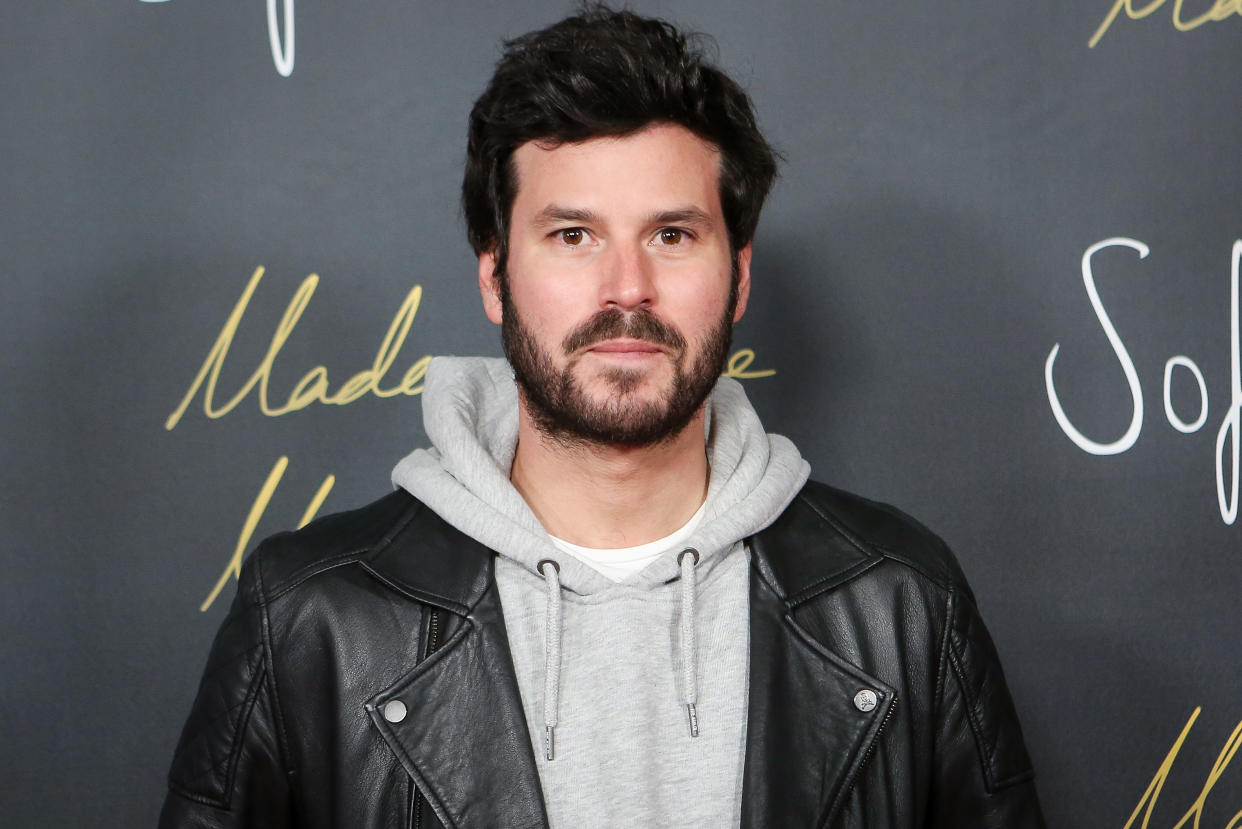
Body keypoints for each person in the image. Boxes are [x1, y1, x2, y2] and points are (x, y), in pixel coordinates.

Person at [159, 6, 1045, 828]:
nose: (627, 288)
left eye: (672, 234)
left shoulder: (902, 602)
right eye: (573, 235)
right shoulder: (311, 617)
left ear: (739, 278)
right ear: (494, 277)